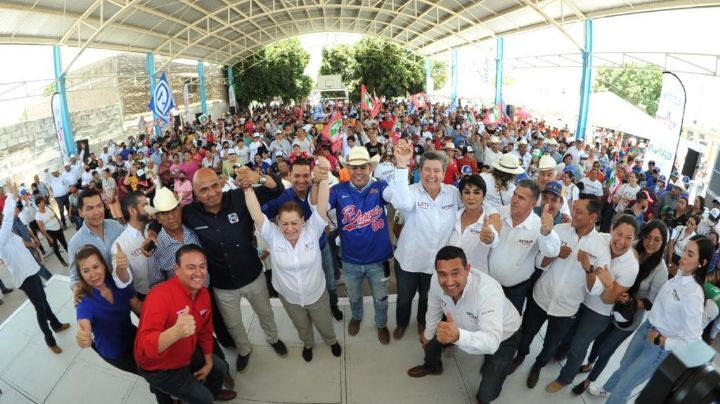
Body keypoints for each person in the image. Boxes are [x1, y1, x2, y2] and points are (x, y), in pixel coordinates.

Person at [184, 168, 287, 371]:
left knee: (265, 313)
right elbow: (162, 220)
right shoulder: (190, 213)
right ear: (195, 193)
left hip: (253, 275)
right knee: (233, 325)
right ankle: (244, 349)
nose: (212, 192)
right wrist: (152, 233)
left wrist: (259, 178)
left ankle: (273, 338)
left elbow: (277, 190)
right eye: (204, 190)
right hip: (223, 285)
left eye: (215, 185)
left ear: (221, 183)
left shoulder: (240, 197)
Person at [245, 157, 342, 362]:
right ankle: (308, 344)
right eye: (284, 223)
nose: (289, 228)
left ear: (304, 221)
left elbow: (322, 204)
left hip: (316, 294)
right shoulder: (273, 234)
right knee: (302, 326)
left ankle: (331, 340)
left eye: (294, 223)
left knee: (324, 323)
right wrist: (247, 188)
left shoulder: (313, 230)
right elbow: (256, 214)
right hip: (290, 298)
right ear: (278, 223)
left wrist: (323, 176)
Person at [510, 196, 611, 388]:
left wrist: (588, 268)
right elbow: (540, 262)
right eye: (574, 208)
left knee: (550, 347)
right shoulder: (558, 231)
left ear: (593, 217)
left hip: (566, 309)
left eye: (579, 212)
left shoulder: (601, 247)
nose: (573, 213)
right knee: (526, 334)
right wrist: (555, 254)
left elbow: (595, 288)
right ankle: (519, 357)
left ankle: (537, 367)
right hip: (541, 297)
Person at [598, 234, 710, 403]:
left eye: (690, 254)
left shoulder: (694, 295)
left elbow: (693, 341)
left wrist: (664, 342)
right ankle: (607, 389)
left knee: (625, 387)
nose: (683, 256)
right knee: (624, 366)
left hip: (658, 346)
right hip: (646, 329)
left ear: (702, 263)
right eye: (685, 250)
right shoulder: (679, 275)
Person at [407, 246, 521, 404]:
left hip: (503, 336)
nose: (449, 281)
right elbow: (433, 308)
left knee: (489, 388)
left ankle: (483, 399)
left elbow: (492, 342)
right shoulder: (435, 281)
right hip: (457, 324)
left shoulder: (488, 292)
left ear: (467, 269)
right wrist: (427, 335)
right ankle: (432, 366)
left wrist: (458, 336)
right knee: (431, 343)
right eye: (443, 274)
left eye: (455, 273)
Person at [546, 215, 639, 393]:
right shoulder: (601, 239)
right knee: (568, 333)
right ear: (611, 229)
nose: (621, 242)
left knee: (579, 345)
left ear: (634, 240)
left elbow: (608, 299)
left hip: (598, 310)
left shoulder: (631, 267)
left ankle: (565, 378)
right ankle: (559, 353)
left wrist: (610, 282)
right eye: (619, 234)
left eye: (629, 238)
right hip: (579, 296)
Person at [575, 220, 669, 395]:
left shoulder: (660, 269)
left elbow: (652, 302)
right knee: (598, 341)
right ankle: (589, 364)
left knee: (606, 349)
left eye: (657, 240)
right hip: (608, 305)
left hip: (627, 316)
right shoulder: (630, 246)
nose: (651, 243)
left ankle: (589, 380)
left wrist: (631, 301)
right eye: (648, 237)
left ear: (664, 243)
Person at [135, 244, 237, 404]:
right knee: (204, 399)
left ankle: (213, 391)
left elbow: (206, 331)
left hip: (187, 353)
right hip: (160, 368)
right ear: (177, 269)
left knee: (220, 368)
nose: (198, 273)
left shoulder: (203, 293)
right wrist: (175, 332)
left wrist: (209, 361)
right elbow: (143, 348)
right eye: (191, 267)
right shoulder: (159, 297)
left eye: (202, 266)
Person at [314, 146, 393, 344]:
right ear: (347, 169)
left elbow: (396, 198)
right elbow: (318, 206)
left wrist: (400, 168)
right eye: (354, 167)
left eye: (363, 167)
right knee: (354, 298)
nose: (358, 172)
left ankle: (381, 324)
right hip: (350, 260)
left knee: (381, 300)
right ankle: (357, 317)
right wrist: (318, 181)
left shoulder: (381, 186)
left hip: (379, 260)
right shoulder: (338, 190)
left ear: (370, 168)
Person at [389, 144, 460, 341]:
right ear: (420, 172)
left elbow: (474, 205)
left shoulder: (453, 194)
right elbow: (401, 203)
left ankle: (422, 321)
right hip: (409, 262)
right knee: (404, 299)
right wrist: (402, 165)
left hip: (436, 266)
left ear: (444, 173)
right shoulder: (411, 192)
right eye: (427, 169)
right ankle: (402, 323)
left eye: (437, 170)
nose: (431, 175)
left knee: (427, 300)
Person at [262, 158, 343, 321]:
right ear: (289, 176)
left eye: (305, 176)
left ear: (311, 175)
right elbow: (264, 215)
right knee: (304, 285)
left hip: (321, 247)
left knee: (330, 282)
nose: (301, 180)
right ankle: (310, 309)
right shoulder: (282, 197)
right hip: (296, 253)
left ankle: (333, 305)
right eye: (297, 175)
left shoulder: (318, 189)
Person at [0, 183, 70, 353]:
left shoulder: (6, 233)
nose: (2, 219)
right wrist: (12, 195)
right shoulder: (1, 236)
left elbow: (18, 241)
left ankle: (56, 324)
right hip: (24, 277)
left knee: (43, 299)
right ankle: (49, 340)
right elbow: (8, 217)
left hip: (31, 270)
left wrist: (33, 247)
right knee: (40, 307)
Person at [486, 180, 560, 314]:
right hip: (488, 284)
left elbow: (551, 251)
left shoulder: (539, 226)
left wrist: (547, 233)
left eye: (521, 198)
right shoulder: (498, 214)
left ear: (532, 204)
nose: (514, 200)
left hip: (515, 291)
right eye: (515, 194)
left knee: (508, 328)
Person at [74, 245, 142, 374]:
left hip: (135, 336)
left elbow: (138, 306)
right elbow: (84, 327)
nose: (93, 275)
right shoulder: (84, 302)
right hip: (117, 353)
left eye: (95, 266)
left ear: (104, 265)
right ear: (81, 275)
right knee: (150, 374)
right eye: (86, 271)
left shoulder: (117, 283)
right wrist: (84, 337)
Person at [68, 189, 125, 288]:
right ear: (80, 212)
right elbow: (75, 279)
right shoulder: (75, 243)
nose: (96, 212)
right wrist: (77, 291)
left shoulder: (115, 225)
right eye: (90, 208)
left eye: (99, 206)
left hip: (127, 286)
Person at [446, 174, 497, 273]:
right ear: (461, 195)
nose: (471, 197)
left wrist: (490, 238)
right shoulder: (453, 217)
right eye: (466, 192)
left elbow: (494, 239)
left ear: (483, 196)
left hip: (476, 279)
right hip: (450, 277)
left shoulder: (488, 221)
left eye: (476, 192)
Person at [111, 191, 155, 299]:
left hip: (171, 288)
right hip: (147, 297)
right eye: (145, 205)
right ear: (132, 211)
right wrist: (121, 268)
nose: (149, 208)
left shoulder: (154, 228)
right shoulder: (120, 244)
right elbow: (124, 281)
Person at [35, 195, 69, 266]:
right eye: (41, 202)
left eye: (43, 201)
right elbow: (41, 228)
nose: (43, 202)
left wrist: (60, 224)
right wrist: (49, 237)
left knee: (65, 243)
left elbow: (56, 215)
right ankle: (61, 260)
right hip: (50, 232)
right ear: (38, 204)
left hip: (58, 228)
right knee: (56, 248)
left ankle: (71, 256)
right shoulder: (38, 215)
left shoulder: (48, 207)